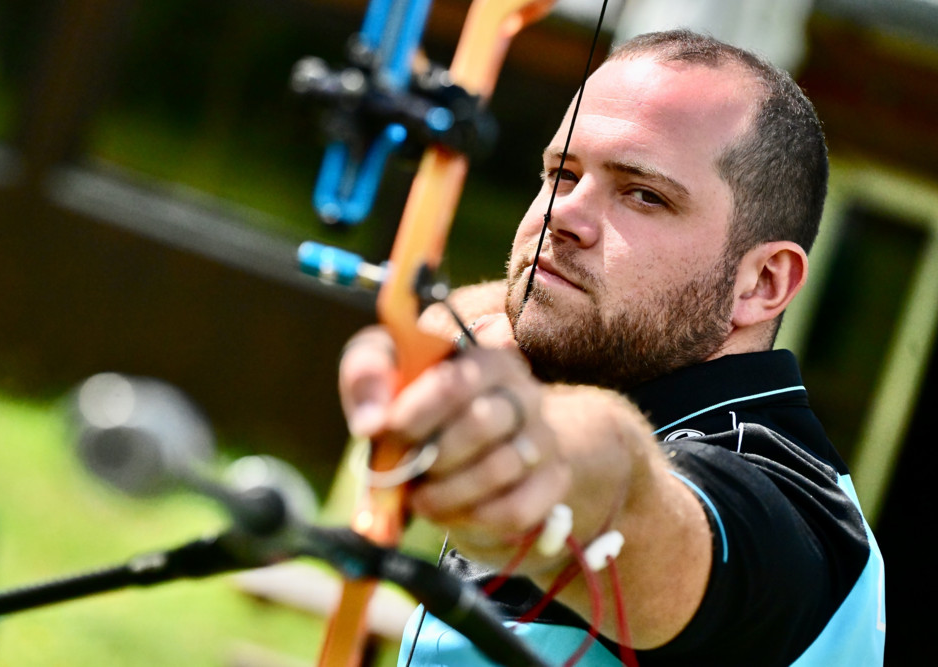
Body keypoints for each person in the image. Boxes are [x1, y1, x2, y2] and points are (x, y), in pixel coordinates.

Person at [338, 29, 886, 666]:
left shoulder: (793, 514)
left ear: (761, 282)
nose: (563, 215)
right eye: (562, 173)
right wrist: (479, 337)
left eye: (643, 195)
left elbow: (625, 492)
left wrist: (531, 452)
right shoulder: (575, 359)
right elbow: (502, 312)